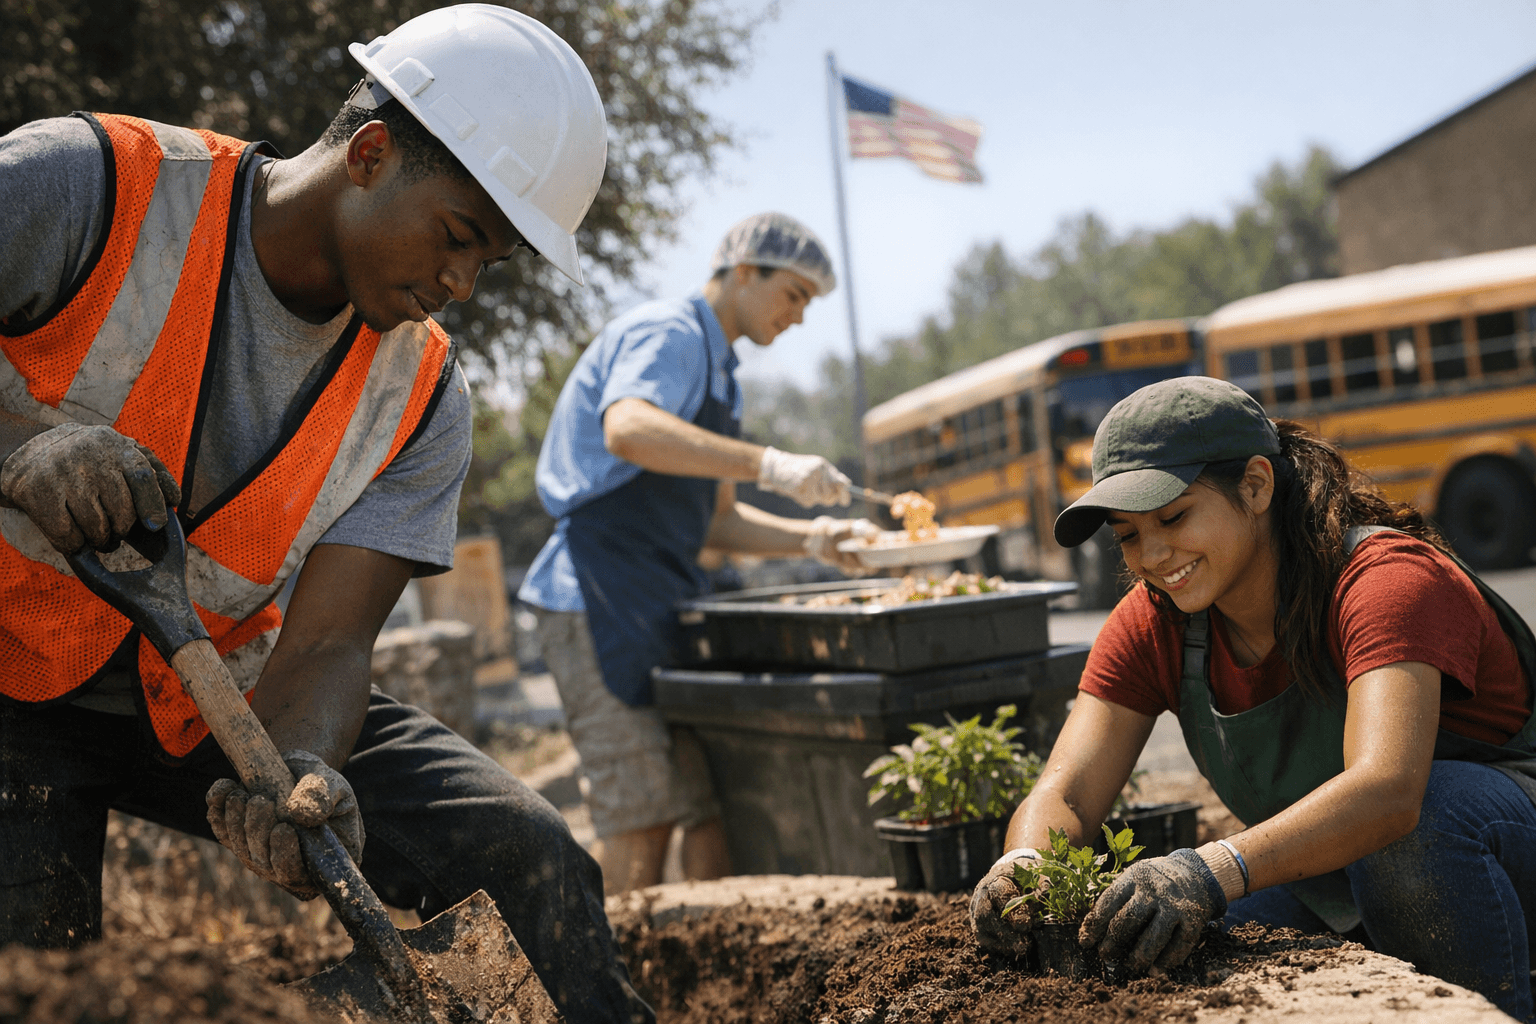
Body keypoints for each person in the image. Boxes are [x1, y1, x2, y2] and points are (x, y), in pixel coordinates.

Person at [0, 7, 656, 1021]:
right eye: (456, 238)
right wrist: (19, 453)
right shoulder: (85, 185)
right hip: (9, 680)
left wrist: (301, 766)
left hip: (207, 684)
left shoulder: (425, 399)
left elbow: (332, 643)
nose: (459, 286)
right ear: (371, 152)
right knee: (40, 986)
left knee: (530, 858)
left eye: (489, 265)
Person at [969, 376, 1536, 1020]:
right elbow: (1067, 792)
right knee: (1166, 941)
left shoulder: (1383, 582)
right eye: (1127, 535)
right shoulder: (1155, 621)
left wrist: (1209, 869)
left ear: (1257, 485)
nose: (1153, 555)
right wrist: (1024, 866)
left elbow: (1387, 791)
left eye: (1173, 516)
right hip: (1343, 870)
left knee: (1420, 828)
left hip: (1493, 836)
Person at [518, 212, 874, 895]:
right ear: (745, 271)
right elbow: (628, 429)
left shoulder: (723, 377)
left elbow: (713, 525)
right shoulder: (670, 333)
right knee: (641, 814)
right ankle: (619, 991)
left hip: (656, 598)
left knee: (709, 811)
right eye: (795, 294)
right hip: (594, 597)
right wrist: (770, 463)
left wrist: (816, 539)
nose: (798, 317)